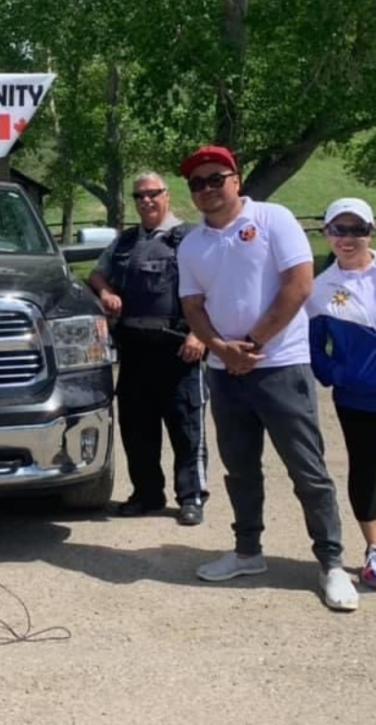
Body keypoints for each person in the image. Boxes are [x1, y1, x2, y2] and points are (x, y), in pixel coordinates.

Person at [176, 145, 358, 611]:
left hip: (280, 365)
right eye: (198, 184)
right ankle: (247, 551)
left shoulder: (274, 219)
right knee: (240, 470)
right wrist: (220, 350)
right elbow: (192, 307)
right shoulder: (192, 244)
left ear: (236, 179)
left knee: (308, 470)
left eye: (216, 178)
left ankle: (331, 563)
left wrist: (251, 345)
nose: (208, 189)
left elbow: (300, 284)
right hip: (225, 372)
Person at [89, 172, 208, 525]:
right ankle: (147, 494)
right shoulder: (125, 242)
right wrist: (106, 293)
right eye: (139, 196)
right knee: (137, 428)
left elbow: (212, 289)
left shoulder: (190, 239)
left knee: (186, 428)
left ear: (167, 196)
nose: (146, 201)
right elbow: (97, 275)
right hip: (134, 350)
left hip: (178, 348)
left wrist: (199, 335)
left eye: (153, 194)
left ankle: (191, 497)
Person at [307, 197, 376, 590]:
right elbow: (314, 349)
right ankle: (373, 549)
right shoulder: (319, 289)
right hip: (358, 399)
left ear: (369, 231)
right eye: (339, 229)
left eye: (356, 229)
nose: (347, 238)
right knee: (366, 471)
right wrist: (338, 374)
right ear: (327, 233)